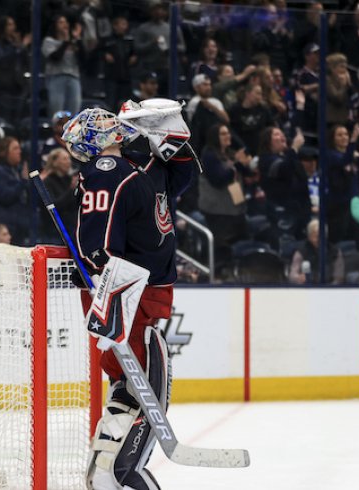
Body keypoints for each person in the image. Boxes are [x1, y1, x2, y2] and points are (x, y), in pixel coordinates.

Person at [63, 103, 194, 489]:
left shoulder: (138, 166)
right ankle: (121, 473)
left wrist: (167, 128)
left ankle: (109, 467)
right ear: (92, 139)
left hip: (140, 297)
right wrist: (107, 288)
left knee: (128, 385)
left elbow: (180, 172)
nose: (109, 121)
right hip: (125, 297)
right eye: (98, 121)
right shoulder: (107, 172)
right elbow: (97, 246)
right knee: (141, 393)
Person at [199, 123, 251, 277]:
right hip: (218, 212)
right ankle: (217, 275)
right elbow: (218, 179)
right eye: (223, 134)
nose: (228, 136)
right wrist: (236, 164)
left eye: (228, 133)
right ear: (215, 137)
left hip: (236, 210)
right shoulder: (209, 155)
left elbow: (246, 172)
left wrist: (242, 163)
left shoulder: (230, 154)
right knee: (221, 249)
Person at [42, 14, 84, 117]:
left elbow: (84, 60)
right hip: (56, 77)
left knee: (74, 109)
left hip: (73, 77)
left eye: (66, 22)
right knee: (57, 110)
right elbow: (56, 57)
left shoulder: (73, 42)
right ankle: (56, 132)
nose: (64, 25)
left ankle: (71, 132)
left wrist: (78, 40)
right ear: (55, 25)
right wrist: (66, 42)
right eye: (61, 22)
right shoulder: (49, 41)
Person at [37, 147, 78, 243]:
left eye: (69, 158)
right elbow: (53, 206)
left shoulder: (69, 180)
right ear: (55, 162)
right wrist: (71, 190)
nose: (69, 162)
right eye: (64, 159)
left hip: (71, 228)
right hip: (54, 231)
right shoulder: (48, 182)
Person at [288, 218, 344, 285]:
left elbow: (339, 277)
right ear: (309, 236)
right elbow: (292, 275)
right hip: (306, 288)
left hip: (329, 288)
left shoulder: (335, 252)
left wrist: (329, 289)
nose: (319, 240)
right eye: (316, 236)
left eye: (322, 236)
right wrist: (298, 278)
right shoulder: (300, 251)